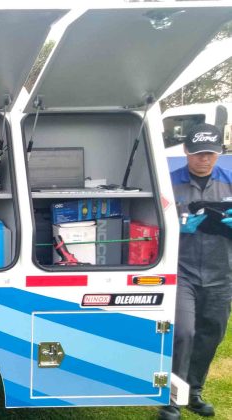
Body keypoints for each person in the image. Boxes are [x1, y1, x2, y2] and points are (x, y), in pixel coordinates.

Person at [160, 123, 232, 420]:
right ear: (186, 151)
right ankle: (172, 398)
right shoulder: (168, 182)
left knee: (210, 333)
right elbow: (153, 222)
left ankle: (194, 392)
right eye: (199, 153)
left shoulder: (229, 181)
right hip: (182, 270)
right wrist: (177, 225)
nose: (205, 159)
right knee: (184, 332)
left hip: (222, 272)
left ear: (219, 153)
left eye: (211, 153)